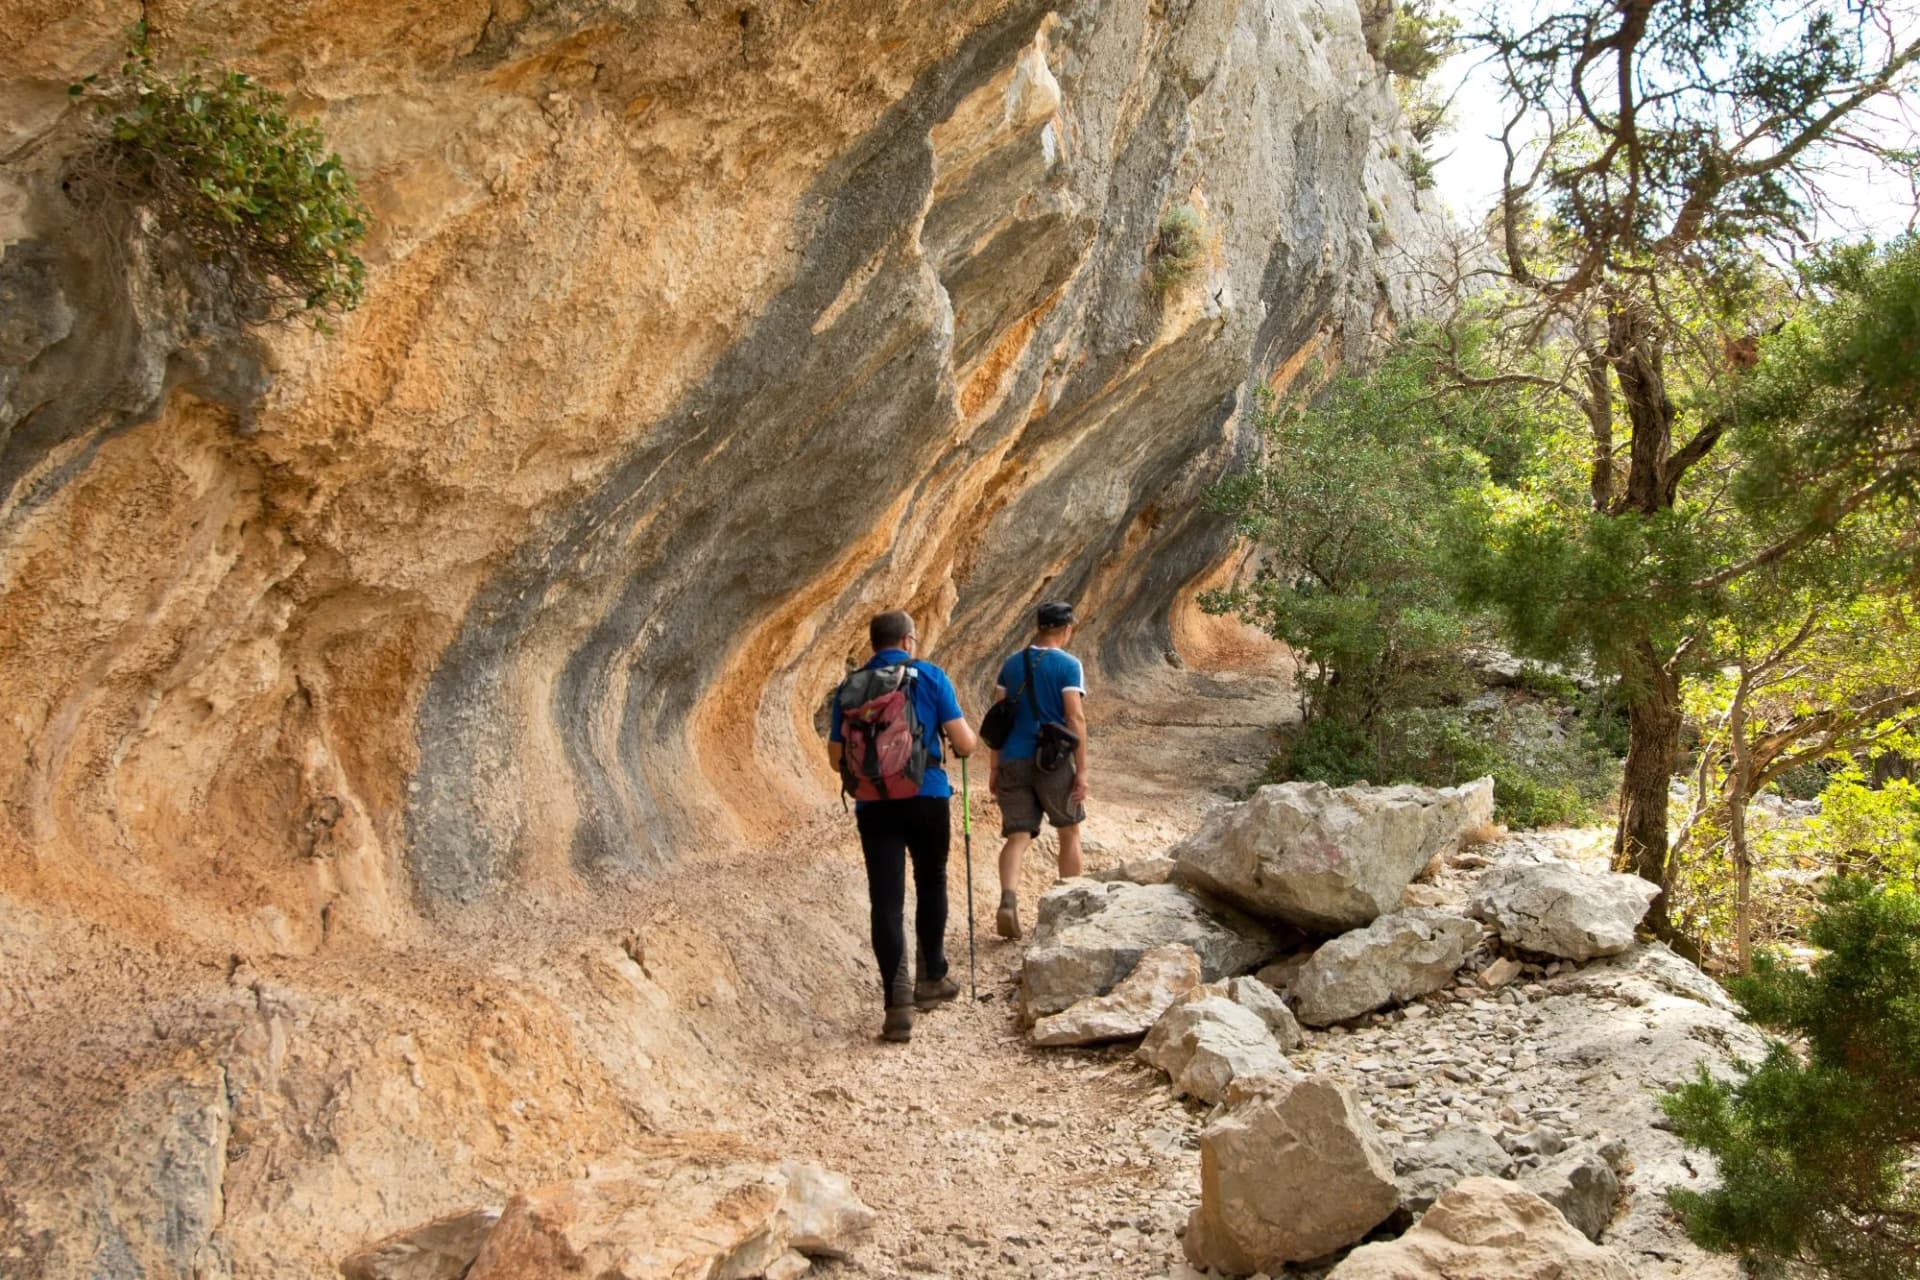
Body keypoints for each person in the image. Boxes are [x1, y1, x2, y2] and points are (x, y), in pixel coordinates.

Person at [828, 609, 979, 1043]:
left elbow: (835, 757)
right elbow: (966, 742)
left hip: (874, 806)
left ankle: (896, 1006)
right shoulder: (930, 676)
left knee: (886, 902)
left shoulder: (851, 686)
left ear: (873, 643)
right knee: (931, 881)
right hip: (927, 794)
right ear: (909, 640)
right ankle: (932, 977)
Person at [988, 600, 1089, 939]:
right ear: (1066, 629)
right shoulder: (1068, 665)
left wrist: (994, 767)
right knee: (1069, 830)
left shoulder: (1010, 665)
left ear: (1038, 626)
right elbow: (1074, 717)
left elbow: (998, 719)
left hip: (1012, 760)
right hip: (1052, 760)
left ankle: (1008, 900)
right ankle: (1069, 909)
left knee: (1018, 836)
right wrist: (1083, 770)